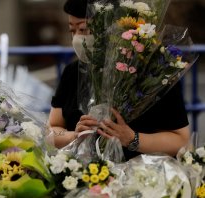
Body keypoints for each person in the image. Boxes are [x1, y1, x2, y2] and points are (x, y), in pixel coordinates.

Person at [49, 0, 190, 160]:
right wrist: (73, 136)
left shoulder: (154, 74)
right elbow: (52, 128)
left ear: (113, 27)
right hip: (83, 175)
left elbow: (181, 140)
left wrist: (132, 138)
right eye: (72, 31)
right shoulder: (72, 72)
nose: (77, 39)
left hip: (143, 176)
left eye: (84, 29)